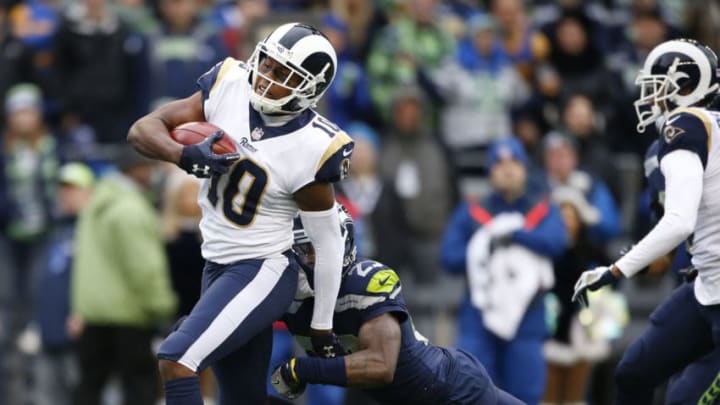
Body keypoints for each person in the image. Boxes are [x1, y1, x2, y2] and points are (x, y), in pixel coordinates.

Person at [127, 22, 354, 405]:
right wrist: (183, 155)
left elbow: (328, 241)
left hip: (262, 267)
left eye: (284, 75)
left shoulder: (313, 145)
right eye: (266, 64)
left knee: (177, 359)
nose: (266, 78)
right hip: (215, 265)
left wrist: (322, 326)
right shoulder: (229, 83)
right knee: (242, 399)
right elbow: (141, 130)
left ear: (310, 89)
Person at [572, 38, 720, 405]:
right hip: (706, 287)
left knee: (683, 400)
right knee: (633, 373)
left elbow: (679, 222)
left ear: (685, 87)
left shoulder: (685, 126)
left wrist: (614, 270)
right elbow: (676, 231)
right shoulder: (705, 128)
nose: (650, 97)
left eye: (657, 85)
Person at [271, 204, 523, 405]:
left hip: (453, 391)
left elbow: (381, 366)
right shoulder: (288, 297)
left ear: (342, 245)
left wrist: (302, 369)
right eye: (303, 250)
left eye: (319, 247)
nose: (312, 259)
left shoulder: (365, 282)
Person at [440, 137, 567, 405]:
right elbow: (448, 256)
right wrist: (485, 250)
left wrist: (514, 236)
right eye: (499, 163)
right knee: (473, 392)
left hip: (528, 319)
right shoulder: (472, 211)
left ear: (525, 168)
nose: (507, 169)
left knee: (526, 396)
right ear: (490, 172)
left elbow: (558, 242)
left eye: (514, 162)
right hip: (478, 317)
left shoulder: (543, 209)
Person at [70, 146, 177, 405]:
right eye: (150, 168)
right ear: (136, 170)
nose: (154, 175)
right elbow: (144, 268)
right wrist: (164, 307)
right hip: (130, 315)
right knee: (139, 388)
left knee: (89, 387)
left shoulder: (96, 203)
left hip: (94, 313)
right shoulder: (131, 209)